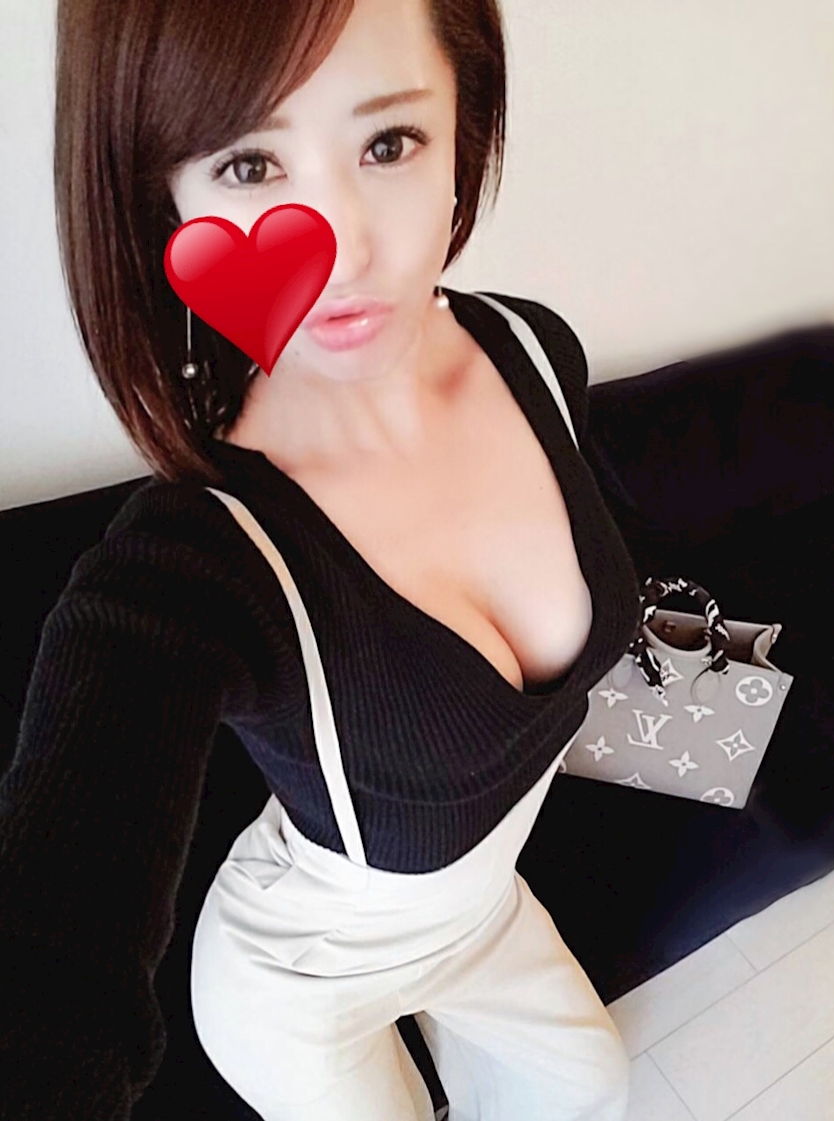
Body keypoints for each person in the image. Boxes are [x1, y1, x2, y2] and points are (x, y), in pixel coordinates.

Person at [1, 0, 642, 1117]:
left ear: (463, 126)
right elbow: (50, 963)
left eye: (389, 142)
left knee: (590, 1087)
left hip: (484, 913)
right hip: (302, 977)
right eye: (248, 164)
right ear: (161, 195)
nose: (338, 245)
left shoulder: (535, 350)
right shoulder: (194, 560)